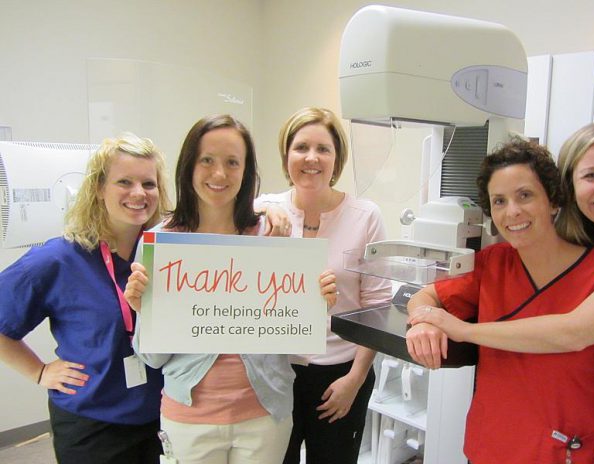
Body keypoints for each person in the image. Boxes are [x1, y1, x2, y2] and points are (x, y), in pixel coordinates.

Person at [408, 122, 594, 464]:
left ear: (554, 200)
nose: (512, 211)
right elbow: (427, 296)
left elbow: (583, 343)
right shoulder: (493, 264)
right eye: (499, 201)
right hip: (492, 446)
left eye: (525, 195)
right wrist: (422, 321)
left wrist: (461, 330)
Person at [124, 114, 336, 464]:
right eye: (207, 160)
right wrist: (146, 311)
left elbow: (296, 346)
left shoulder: (272, 232)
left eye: (232, 162)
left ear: (246, 171)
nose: (219, 174)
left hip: (264, 414)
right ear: (189, 165)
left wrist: (316, 306)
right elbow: (153, 358)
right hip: (189, 417)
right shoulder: (162, 240)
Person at [0, 133, 170, 463]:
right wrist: (39, 371)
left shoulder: (163, 253)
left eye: (148, 184)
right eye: (124, 181)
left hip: (161, 418)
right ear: (98, 189)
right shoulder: (57, 259)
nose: (139, 193)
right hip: (92, 425)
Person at [256, 107, 392, 464]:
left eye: (323, 149)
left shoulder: (366, 217)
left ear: (337, 158)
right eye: (301, 147)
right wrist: (260, 212)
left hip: (341, 371)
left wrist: (355, 379)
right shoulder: (264, 210)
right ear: (286, 156)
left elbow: (376, 306)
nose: (311, 158)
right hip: (277, 370)